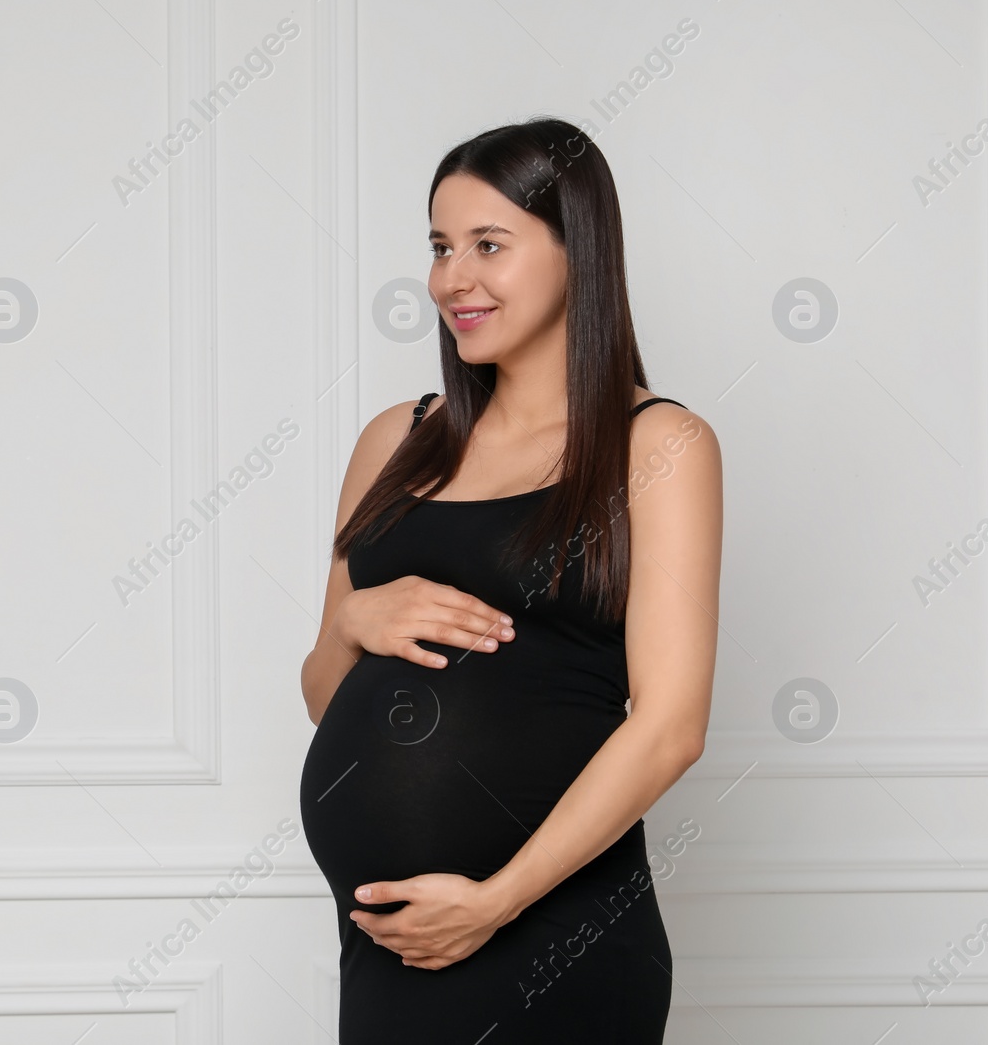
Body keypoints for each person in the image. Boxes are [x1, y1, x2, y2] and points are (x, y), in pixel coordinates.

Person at [298, 118, 722, 1043]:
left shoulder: (659, 447)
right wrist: (351, 623)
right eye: (442, 247)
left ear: (581, 253)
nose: (453, 278)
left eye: (490, 244)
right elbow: (326, 697)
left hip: (556, 936)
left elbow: (671, 726)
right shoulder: (394, 440)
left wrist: (495, 900)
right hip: (391, 945)